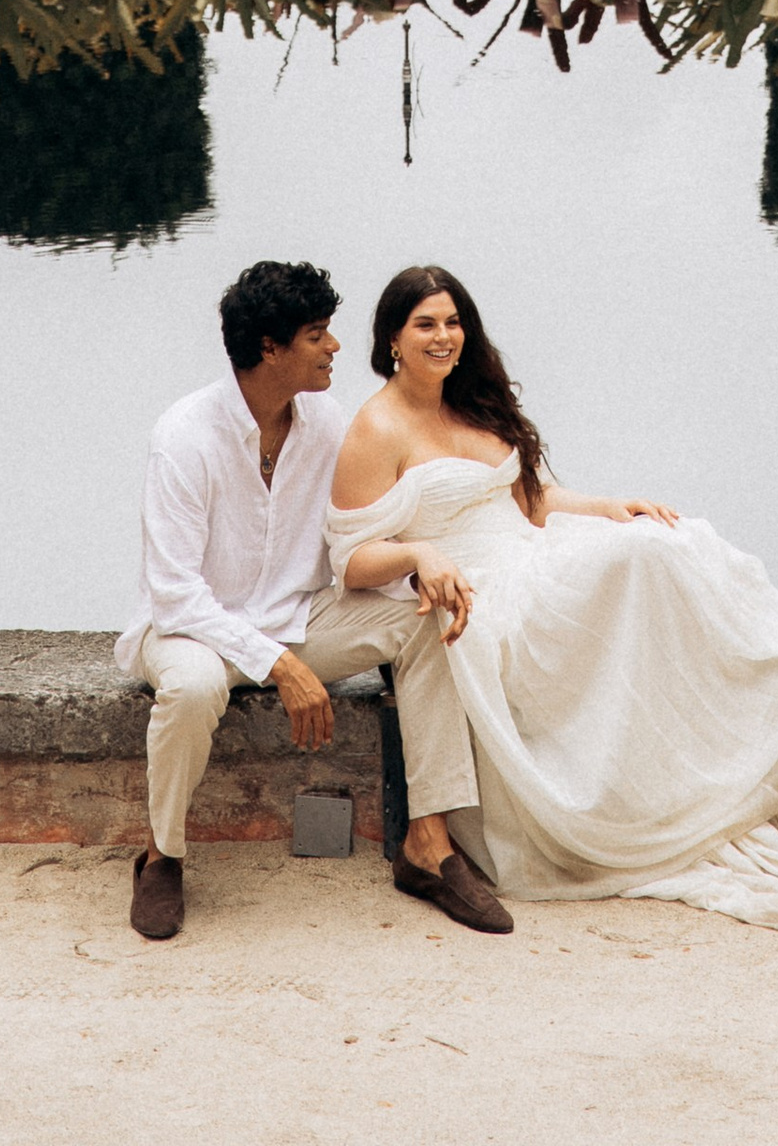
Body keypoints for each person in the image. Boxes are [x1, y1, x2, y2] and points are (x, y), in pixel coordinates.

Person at [326, 263, 778, 944]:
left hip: (530, 552)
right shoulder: (376, 428)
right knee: (633, 570)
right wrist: (420, 556)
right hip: (483, 586)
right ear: (391, 338)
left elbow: (526, 499)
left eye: (453, 322)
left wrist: (604, 506)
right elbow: (351, 562)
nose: (443, 337)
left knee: (659, 542)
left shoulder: (472, 399)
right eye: (425, 324)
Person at [116, 257, 511, 944]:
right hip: (190, 632)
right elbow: (176, 594)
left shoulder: (326, 422)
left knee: (423, 624)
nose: (335, 347)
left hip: (298, 618)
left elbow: (354, 541)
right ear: (269, 348)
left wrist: (420, 565)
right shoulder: (183, 436)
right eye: (317, 335)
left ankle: (428, 844)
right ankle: (162, 857)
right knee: (191, 689)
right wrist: (280, 666)